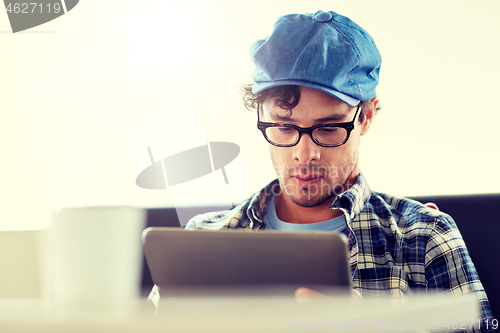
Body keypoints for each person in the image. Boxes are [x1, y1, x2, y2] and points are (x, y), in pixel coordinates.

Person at [151, 10, 494, 331]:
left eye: (328, 128)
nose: (304, 154)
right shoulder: (202, 241)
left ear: (367, 116)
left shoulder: (424, 238)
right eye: (284, 127)